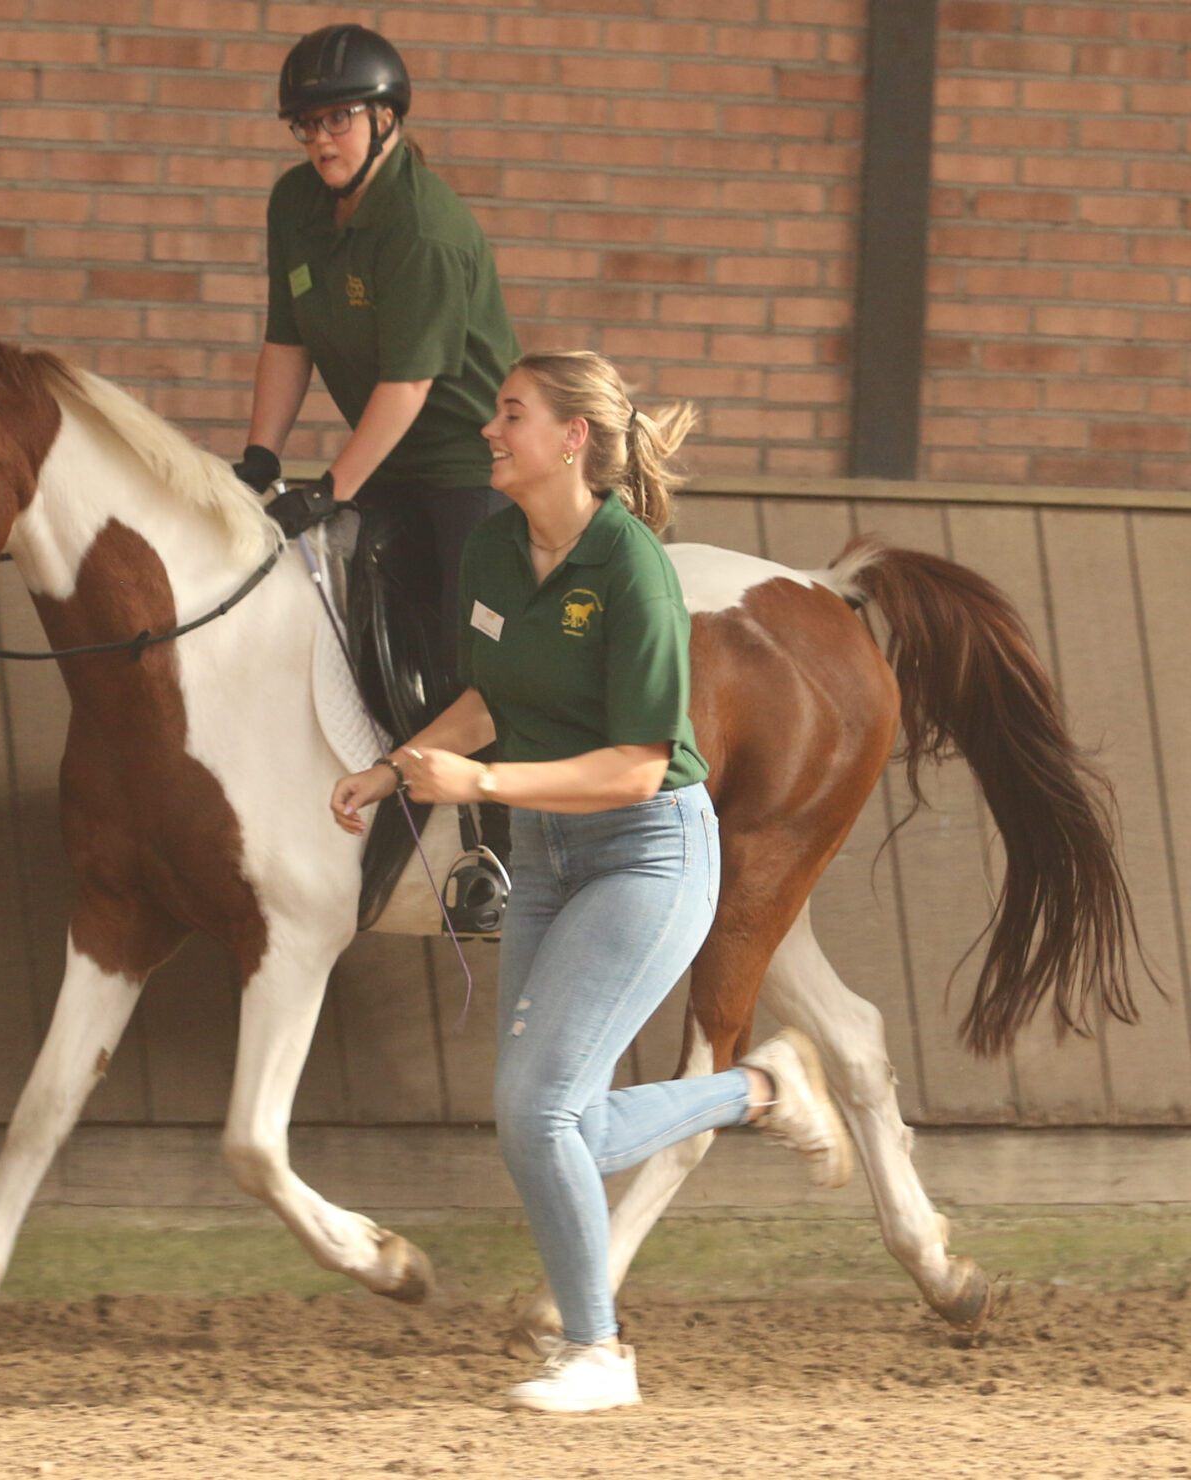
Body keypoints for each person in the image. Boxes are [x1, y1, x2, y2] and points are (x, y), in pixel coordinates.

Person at [330, 351, 853, 1414]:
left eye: (509, 414)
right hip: (544, 858)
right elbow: (488, 695)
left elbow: (640, 763)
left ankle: (600, 1354)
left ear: (573, 439)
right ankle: (761, 1090)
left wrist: (477, 780)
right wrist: (395, 769)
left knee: (538, 1111)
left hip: (647, 853)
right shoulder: (489, 548)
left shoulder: (632, 571)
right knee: (545, 1116)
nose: (489, 431)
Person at [235, 22, 521, 678]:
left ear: (386, 118)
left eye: (339, 117)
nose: (320, 140)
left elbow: (408, 385)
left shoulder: (423, 229)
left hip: (472, 468)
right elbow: (286, 341)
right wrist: (260, 456)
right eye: (306, 124)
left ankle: (491, 781)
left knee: (465, 662)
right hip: (390, 461)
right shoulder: (294, 203)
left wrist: (333, 487)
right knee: (348, 637)